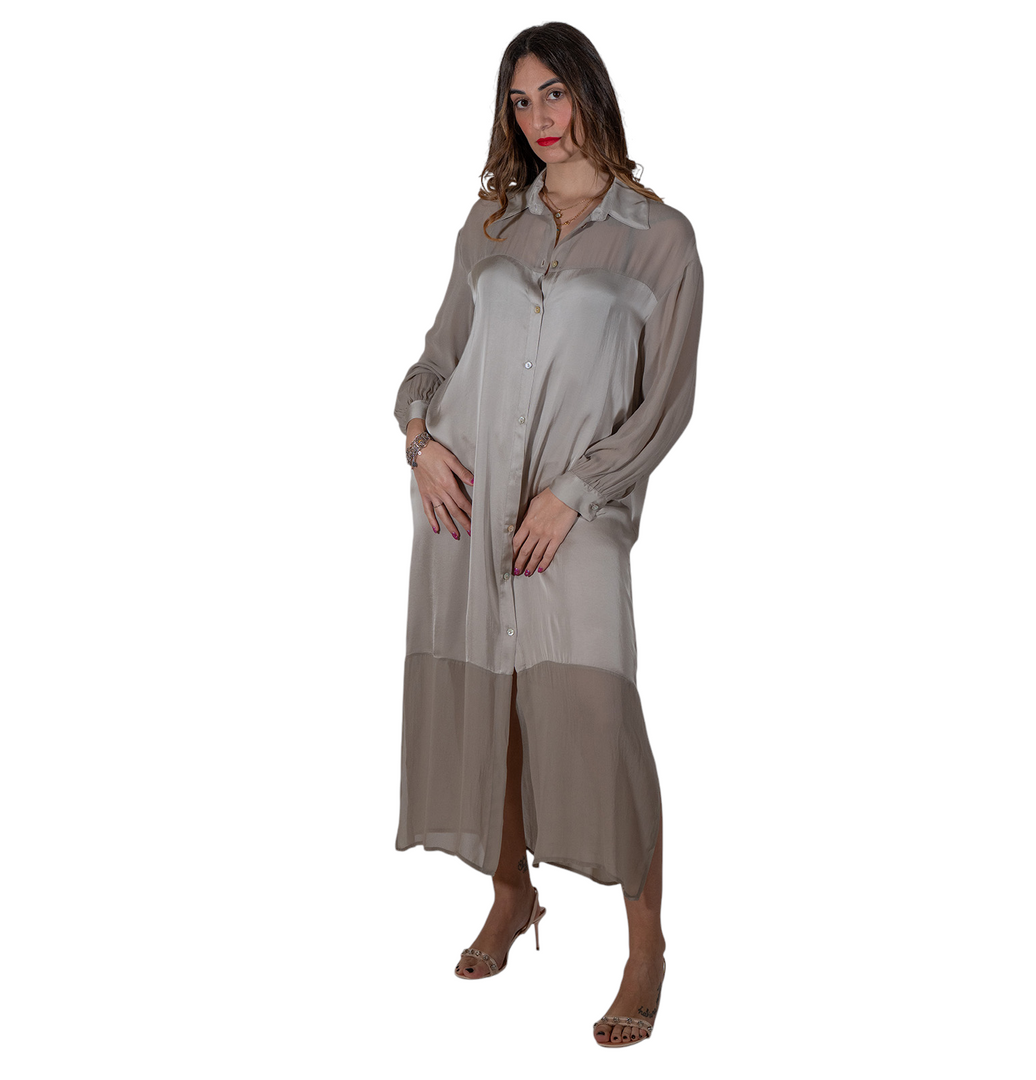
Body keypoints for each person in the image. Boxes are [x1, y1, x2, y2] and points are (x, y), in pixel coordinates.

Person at [393, 22, 703, 1047]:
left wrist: (575, 492)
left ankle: (647, 947)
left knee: (599, 719)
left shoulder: (659, 238)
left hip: (578, 520)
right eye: (520, 102)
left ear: (591, 93)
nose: (538, 119)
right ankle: (511, 893)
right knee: (495, 708)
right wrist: (418, 442)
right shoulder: (490, 225)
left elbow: (664, 404)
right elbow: (435, 360)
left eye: (554, 94)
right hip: (464, 506)